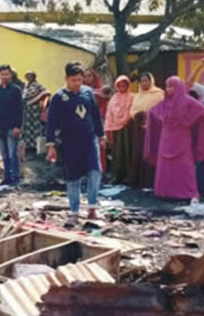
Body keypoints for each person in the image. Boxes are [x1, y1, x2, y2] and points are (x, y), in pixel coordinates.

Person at [46, 61, 105, 228]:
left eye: (80, 80)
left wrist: (101, 136)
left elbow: (95, 115)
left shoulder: (88, 93)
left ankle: (92, 208)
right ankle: (74, 212)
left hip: (89, 139)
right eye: (74, 80)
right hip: (70, 143)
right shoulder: (58, 98)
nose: (77, 83)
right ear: (66, 79)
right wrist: (51, 145)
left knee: (95, 171)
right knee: (74, 177)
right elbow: (51, 122)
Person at [144, 76, 204, 201]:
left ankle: (187, 193)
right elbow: (152, 112)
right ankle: (164, 192)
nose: (168, 89)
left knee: (184, 167)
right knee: (165, 166)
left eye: (171, 86)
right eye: (167, 86)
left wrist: (190, 121)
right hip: (166, 139)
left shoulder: (188, 101)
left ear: (178, 87)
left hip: (182, 139)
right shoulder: (164, 103)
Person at [129, 72, 164, 187]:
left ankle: (151, 180)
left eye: (146, 80)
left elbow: (162, 110)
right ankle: (139, 180)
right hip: (139, 129)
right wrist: (139, 115)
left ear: (151, 81)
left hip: (154, 130)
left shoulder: (159, 94)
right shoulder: (137, 96)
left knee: (151, 152)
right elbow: (132, 111)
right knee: (139, 152)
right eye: (142, 81)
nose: (144, 83)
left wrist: (149, 115)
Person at [0, 64, 24, 185]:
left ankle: (16, 177)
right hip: (0, 127)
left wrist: (17, 127)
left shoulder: (16, 90)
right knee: (4, 154)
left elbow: (19, 110)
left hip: (12, 127)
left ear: (11, 75)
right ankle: (7, 177)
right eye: (2, 74)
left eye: (7, 74)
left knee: (12, 154)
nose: (5, 76)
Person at [104, 75, 134, 183]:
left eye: (124, 85)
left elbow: (133, 112)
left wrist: (126, 121)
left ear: (128, 85)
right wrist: (108, 129)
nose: (122, 87)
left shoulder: (132, 97)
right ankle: (117, 176)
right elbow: (109, 114)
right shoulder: (114, 99)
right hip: (115, 129)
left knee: (128, 151)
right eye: (119, 85)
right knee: (117, 153)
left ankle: (128, 177)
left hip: (128, 129)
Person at [22, 71, 50, 151]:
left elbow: (47, 93)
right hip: (26, 112)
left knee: (35, 130)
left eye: (30, 76)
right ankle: (29, 148)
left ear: (34, 77)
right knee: (27, 130)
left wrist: (43, 106)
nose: (28, 78)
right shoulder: (26, 86)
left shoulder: (37, 86)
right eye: (27, 76)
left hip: (35, 112)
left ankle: (36, 148)